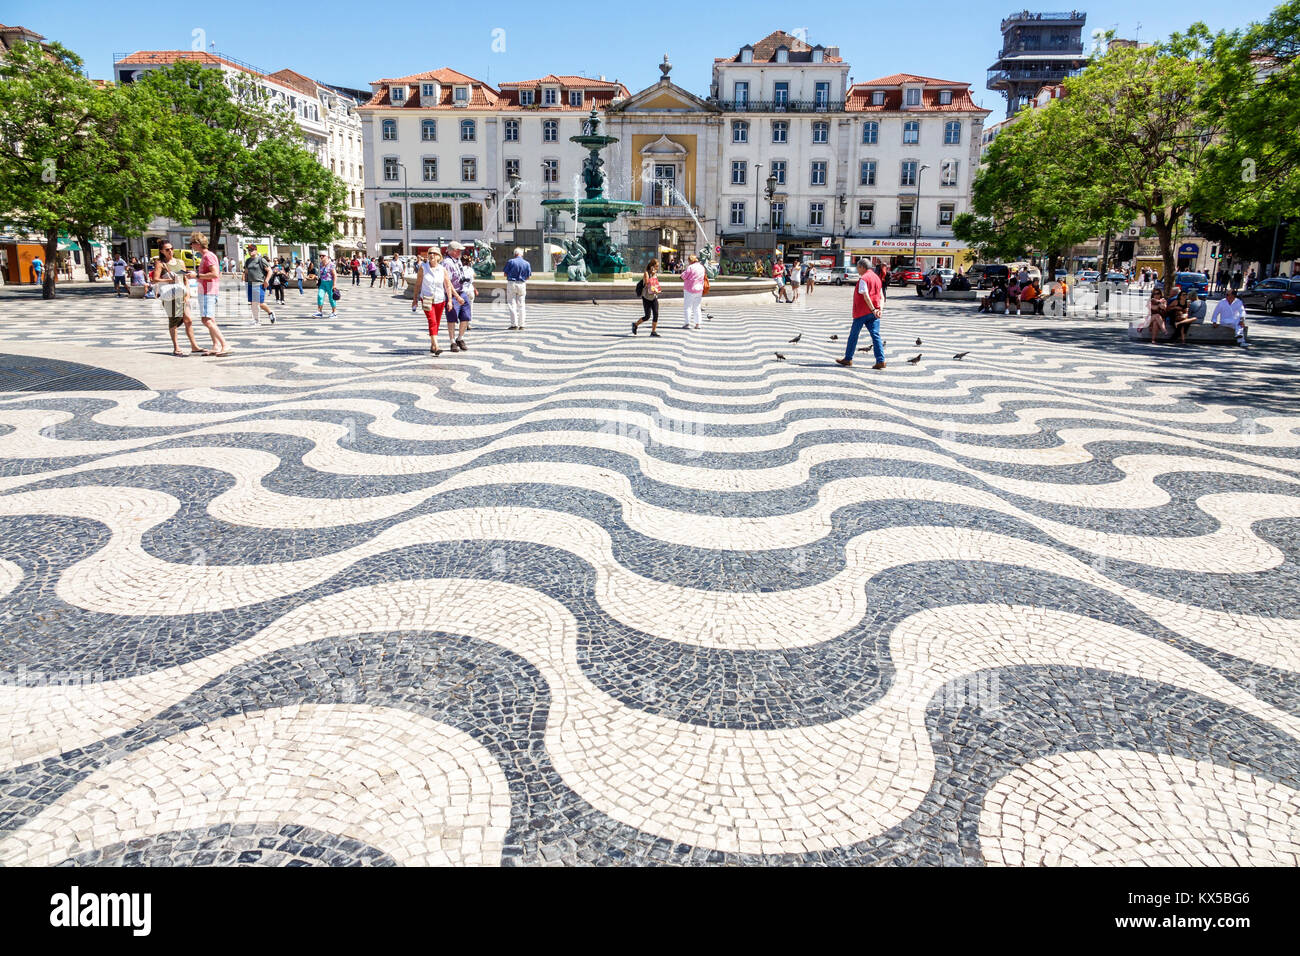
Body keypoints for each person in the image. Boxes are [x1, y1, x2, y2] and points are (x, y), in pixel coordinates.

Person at [153, 241, 202, 357]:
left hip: (182, 293)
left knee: (188, 320)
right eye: (167, 249)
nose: (170, 251)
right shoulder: (160, 264)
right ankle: (176, 347)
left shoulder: (180, 262)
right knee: (174, 321)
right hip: (170, 295)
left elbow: (185, 278)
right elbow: (155, 279)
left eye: (171, 248)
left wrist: (188, 292)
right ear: (161, 251)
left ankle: (194, 346)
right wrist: (168, 281)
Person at [835, 259, 886, 370]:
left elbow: (866, 296)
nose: (858, 270)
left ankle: (848, 358)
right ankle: (880, 360)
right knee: (875, 335)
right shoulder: (877, 278)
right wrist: (880, 309)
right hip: (875, 312)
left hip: (862, 312)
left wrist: (872, 309)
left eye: (858, 268)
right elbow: (882, 296)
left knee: (854, 335)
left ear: (862, 267)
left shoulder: (864, 279)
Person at [189, 231, 229, 356]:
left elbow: (215, 273)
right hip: (207, 290)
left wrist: (197, 275)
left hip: (208, 291)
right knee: (210, 319)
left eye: (191, 243)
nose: (191, 246)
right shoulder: (205, 256)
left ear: (197, 244)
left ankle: (225, 344)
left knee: (206, 320)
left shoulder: (208, 256)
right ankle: (216, 345)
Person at [410, 248, 453, 355]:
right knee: (432, 321)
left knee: (436, 323)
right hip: (426, 299)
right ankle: (437, 346)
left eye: (435, 253)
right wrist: (415, 299)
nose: (432, 255)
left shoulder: (442, 269)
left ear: (439, 257)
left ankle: (432, 345)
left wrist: (450, 300)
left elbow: (447, 285)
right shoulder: (423, 268)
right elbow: (418, 284)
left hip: (440, 299)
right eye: (430, 253)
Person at [442, 241, 471, 350]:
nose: (460, 252)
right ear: (453, 251)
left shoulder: (457, 260)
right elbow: (447, 282)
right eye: (458, 250)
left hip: (462, 292)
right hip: (453, 294)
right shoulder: (447, 263)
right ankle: (452, 341)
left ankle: (460, 338)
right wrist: (456, 296)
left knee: (466, 316)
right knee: (452, 318)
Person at [242, 243, 275, 326]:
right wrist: (244, 280)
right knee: (253, 303)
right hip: (250, 284)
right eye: (249, 250)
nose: (250, 251)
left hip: (259, 283)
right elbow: (246, 271)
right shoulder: (248, 260)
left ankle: (268, 314)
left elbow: (270, 271)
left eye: (252, 250)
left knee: (259, 303)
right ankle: (256, 320)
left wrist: (266, 280)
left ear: (256, 250)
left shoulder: (261, 260)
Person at [632, 259, 662, 336]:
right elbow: (647, 284)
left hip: (654, 296)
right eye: (656, 266)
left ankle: (653, 331)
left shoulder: (655, 273)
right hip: (646, 297)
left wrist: (657, 289)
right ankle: (635, 325)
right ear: (652, 266)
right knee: (647, 316)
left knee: (656, 314)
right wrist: (652, 275)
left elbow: (655, 284)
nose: (657, 267)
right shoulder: (646, 273)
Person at [504, 247, 532, 331]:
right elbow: (528, 276)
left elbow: (505, 274)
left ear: (515, 254)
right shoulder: (527, 263)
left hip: (512, 283)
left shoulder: (511, 262)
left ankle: (514, 324)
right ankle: (522, 324)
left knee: (512, 304)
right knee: (521, 304)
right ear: (522, 254)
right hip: (522, 284)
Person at [681, 253, 706, 329]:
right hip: (699, 289)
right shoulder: (702, 267)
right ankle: (698, 324)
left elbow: (684, 276)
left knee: (688, 306)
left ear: (690, 260)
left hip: (689, 289)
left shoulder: (690, 267)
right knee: (697, 307)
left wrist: (682, 274)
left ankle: (687, 323)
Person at [314, 253, 337, 318]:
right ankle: (319, 312)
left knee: (331, 298)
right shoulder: (321, 264)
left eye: (323, 256)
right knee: (320, 296)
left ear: (327, 256)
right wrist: (318, 279)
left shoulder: (331, 264)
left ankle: (334, 312)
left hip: (330, 283)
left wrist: (334, 285)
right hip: (322, 283)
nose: (321, 257)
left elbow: (335, 275)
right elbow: (321, 274)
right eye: (320, 256)